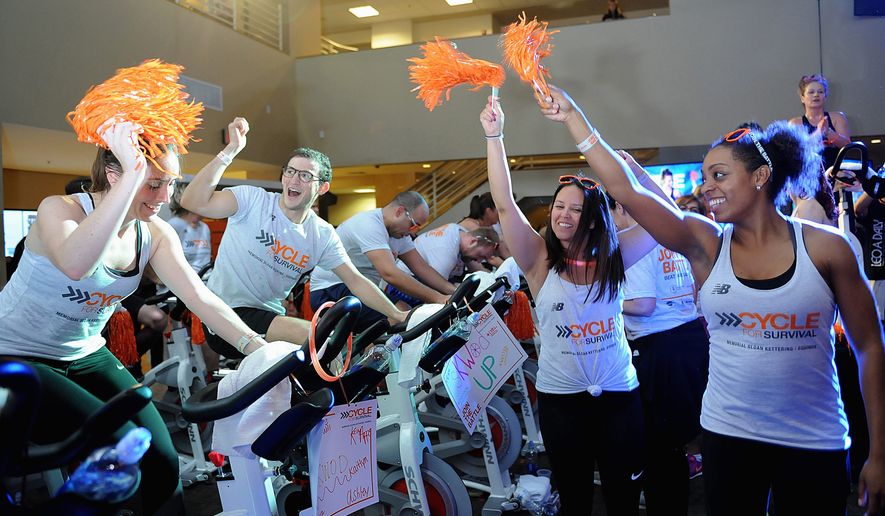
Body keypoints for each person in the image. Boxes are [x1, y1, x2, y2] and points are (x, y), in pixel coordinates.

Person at [538, 84, 885, 515]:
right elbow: (626, 192)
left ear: (760, 177)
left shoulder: (827, 248)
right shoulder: (706, 243)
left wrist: (880, 453)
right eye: (704, 177)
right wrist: (574, 117)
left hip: (813, 438)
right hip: (728, 434)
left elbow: (870, 347)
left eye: (719, 175)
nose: (707, 188)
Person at [0, 121, 277, 515]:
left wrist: (256, 346)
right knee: (123, 441)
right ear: (117, 174)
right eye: (153, 183)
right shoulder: (58, 210)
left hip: (84, 353)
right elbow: (77, 264)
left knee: (161, 454)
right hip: (16, 352)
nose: (166, 196)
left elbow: (200, 297)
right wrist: (132, 176)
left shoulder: (156, 232)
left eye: (172, 183)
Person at [480, 97, 670, 515]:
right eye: (559, 207)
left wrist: (636, 175)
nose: (564, 216)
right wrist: (494, 136)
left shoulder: (615, 258)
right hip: (562, 402)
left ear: (594, 217)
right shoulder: (539, 261)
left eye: (576, 209)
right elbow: (506, 203)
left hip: (620, 395)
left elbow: (664, 216)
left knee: (623, 496)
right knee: (576, 498)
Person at [181, 118, 407, 358]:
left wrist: (395, 314)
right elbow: (191, 201)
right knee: (318, 338)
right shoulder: (252, 200)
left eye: (305, 176)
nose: (294, 179)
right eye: (290, 171)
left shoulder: (321, 234)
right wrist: (231, 150)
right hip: (224, 314)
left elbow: (355, 280)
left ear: (322, 188)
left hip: (268, 316)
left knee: (323, 350)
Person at [609, 189, 710, 515]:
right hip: (688, 338)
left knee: (660, 447)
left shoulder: (633, 240)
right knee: (678, 440)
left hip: (660, 347)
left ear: (620, 209)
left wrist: (599, 302)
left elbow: (642, 304)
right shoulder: (667, 233)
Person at [309, 192, 453, 332]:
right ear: (400, 211)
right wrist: (438, 298)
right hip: (329, 288)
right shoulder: (369, 224)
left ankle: (368, 352)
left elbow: (421, 268)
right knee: (400, 312)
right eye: (414, 225)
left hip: (359, 287)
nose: (412, 232)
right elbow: (390, 274)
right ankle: (369, 355)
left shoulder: (400, 235)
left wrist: (454, 291)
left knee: (404, 312)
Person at [387, 224, 500, 307]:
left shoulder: (460, 232)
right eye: (480, 256)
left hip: (425, 278)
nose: (479, 261)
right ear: (472, 241)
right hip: (403, 286)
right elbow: (439, 290)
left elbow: (476, 269)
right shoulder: (446, 251)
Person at [789, 74, 851, 170]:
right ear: (802, 98)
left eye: (820, 92)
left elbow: (848, 147)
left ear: (825, 96)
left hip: (836, 173)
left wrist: (829, 133)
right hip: (808, 175)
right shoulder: (795, 123)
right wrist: (818, 133)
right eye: (811, 92)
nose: (816, 95)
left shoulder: (838, 118)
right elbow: (794, 153)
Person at [459, 192, 512, 267]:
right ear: (489, 211)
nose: (500, 215)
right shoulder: (472, 226)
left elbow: (502, 249)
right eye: (499, 211)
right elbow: (491, 257)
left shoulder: (487, 226)